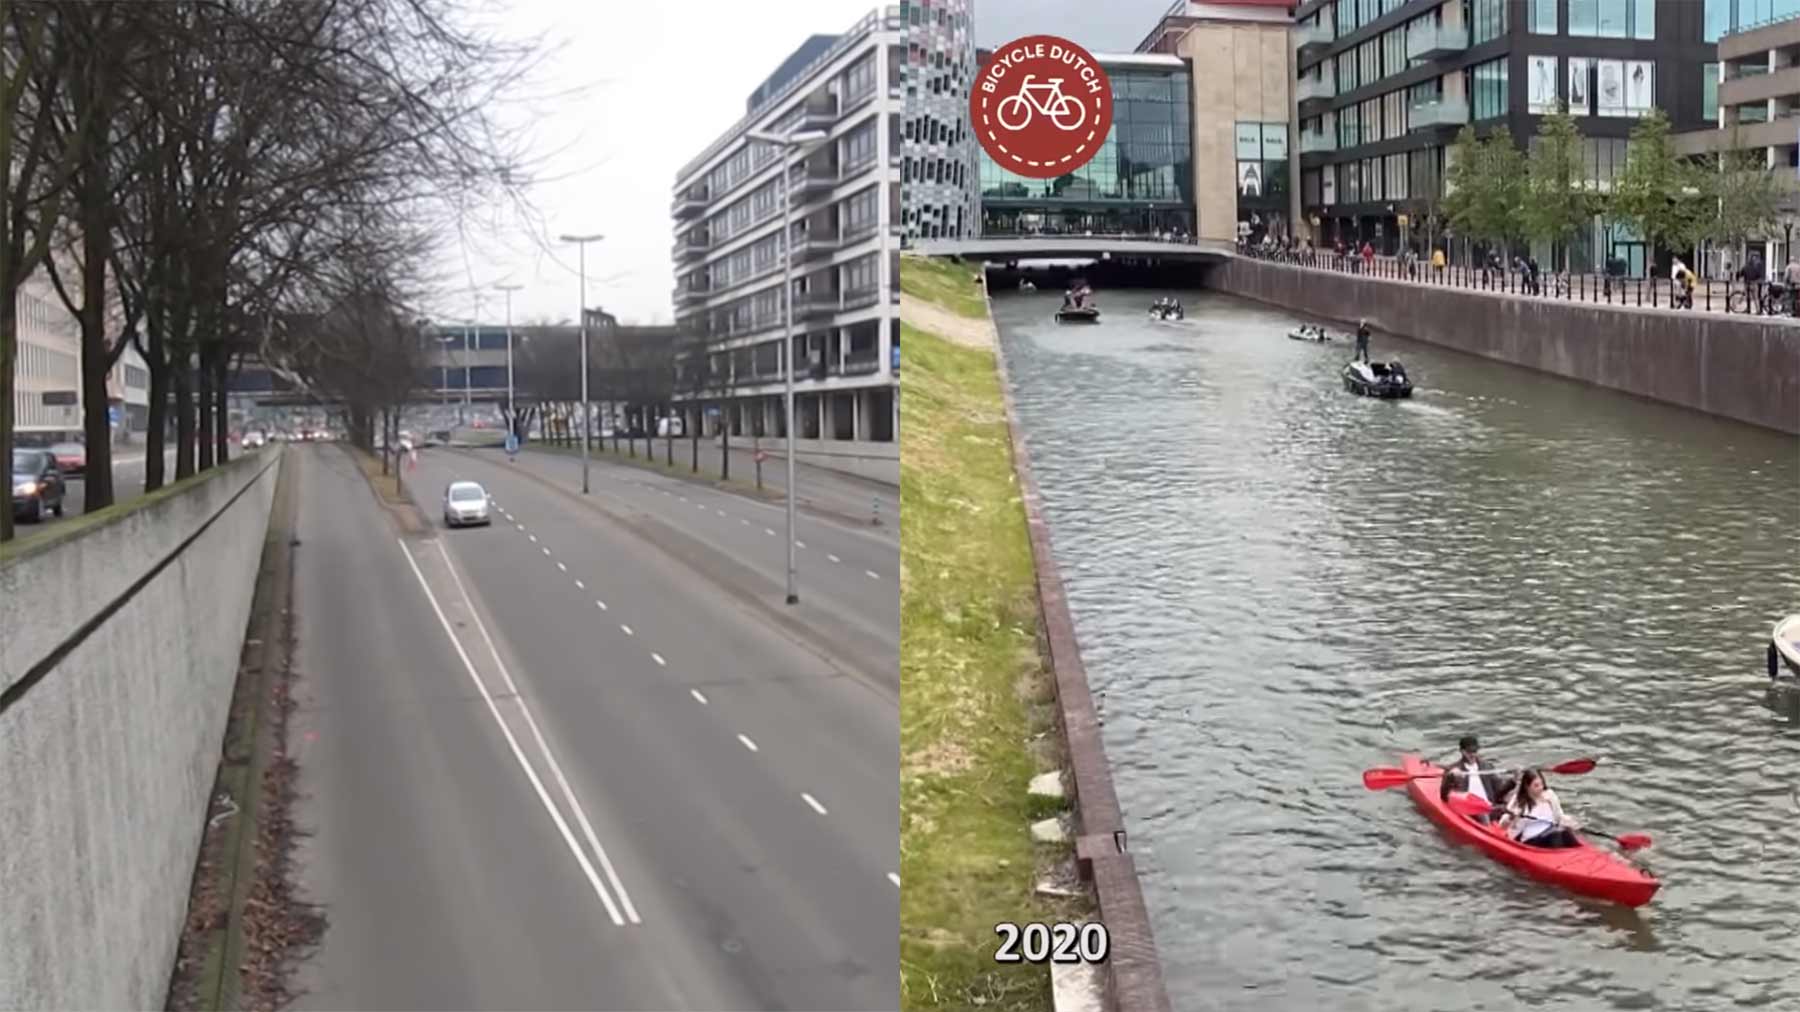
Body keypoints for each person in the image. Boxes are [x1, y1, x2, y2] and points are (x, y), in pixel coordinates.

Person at [1499, 769, 1581, 848]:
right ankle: (1557, 860)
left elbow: (1559, 816)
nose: (1541, 788)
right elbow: (1503, 825)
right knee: (1556, 834)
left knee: (1566, 832)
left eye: (1541, 784)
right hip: (1530, 839)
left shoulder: (1550, 795)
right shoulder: (1519, 801)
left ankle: (1581, 854)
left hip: (1550, 831)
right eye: (1536, 785)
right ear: (1527, 787)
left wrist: (1571, 822)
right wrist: (1511, 817)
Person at [1439, 736, 1513, 821]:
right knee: (1482, 814)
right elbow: (1444, 796)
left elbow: (1499, 792)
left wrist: (1512, 782)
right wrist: (1450, 778)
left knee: (1512, 809)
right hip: (1470, 810)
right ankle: (1488, 827)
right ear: (1462, 751)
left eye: (1475, 751)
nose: (1473, 754)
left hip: (1489, 807)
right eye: (1469, 752)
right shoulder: (1453, 770)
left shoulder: (1487, 767)